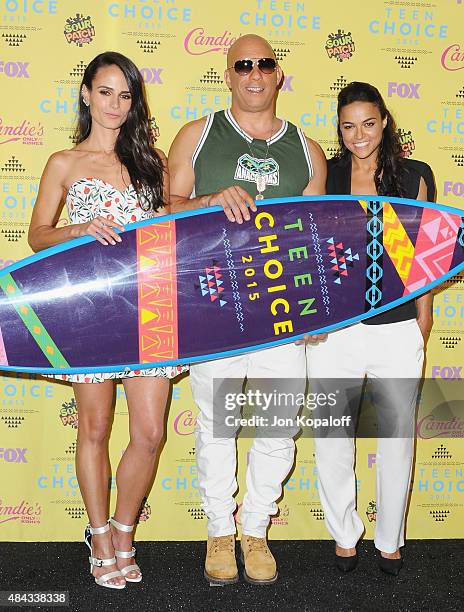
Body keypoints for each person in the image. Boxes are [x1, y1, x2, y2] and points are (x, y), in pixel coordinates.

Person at [168, 33, 326, 585]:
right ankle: (219, 530)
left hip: (282, 310)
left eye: (264, 64)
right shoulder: (198, 133)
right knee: (217, 426)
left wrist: (314, 312)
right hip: (215, 307)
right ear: (228, 74)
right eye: (243, 65)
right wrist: (209, 201)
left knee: (280, 424)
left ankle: (255, 529)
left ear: (278, 74)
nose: (254, 74)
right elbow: (166, 212)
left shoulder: (307, 151)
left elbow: (315, 239)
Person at [28, 51, 187, 589]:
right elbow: (37, 236)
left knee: (149, 433)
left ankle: (124, 531)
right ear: (85, 94)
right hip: (92, 313)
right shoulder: (63, 164)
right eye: (105, 92)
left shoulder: (152, 163)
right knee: (95, 429)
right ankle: (97, 535)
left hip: (152, 311)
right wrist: (76, 230)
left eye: (125, 95)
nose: (115, 104)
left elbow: (170, 230)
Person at [306, 81, 433, 576]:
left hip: (396, 326)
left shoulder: (414, 175)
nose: (359, 134)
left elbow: (422, 255)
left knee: (398, 436)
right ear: (339, 128)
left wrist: (423, 313)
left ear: (384, 122)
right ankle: (343, 534)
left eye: (369, 123)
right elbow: (309, 250)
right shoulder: (328, 174)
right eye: (348, 125)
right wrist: (311, 316)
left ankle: (389, 539)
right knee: (332, 436)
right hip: (335, 329)